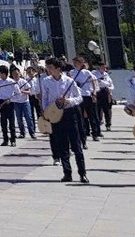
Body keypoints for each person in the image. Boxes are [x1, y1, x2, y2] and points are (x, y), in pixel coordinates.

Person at [40, 56, 88, 184]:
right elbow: (45, 98)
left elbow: (79, 97)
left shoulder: (68, 81)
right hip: (55, 114)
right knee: (62, 144)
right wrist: (45, 112)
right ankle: (67, 173)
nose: (48, 69)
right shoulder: (46, 81)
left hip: (69, 113)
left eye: (51, 67)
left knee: (76, 145)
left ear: (58, 68)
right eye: (48, 67)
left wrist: (68, 101)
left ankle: (82, 173)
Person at [72, 55, 100, 144]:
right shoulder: (72, 72)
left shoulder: (86, 72)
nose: (75, 64)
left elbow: (94, 81)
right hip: (78, 96)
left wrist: (94, 92)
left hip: (87, 95)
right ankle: (84, 133)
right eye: (74, 62)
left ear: (81, 63)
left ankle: (95, 133)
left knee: (91, 115)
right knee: (81, 116)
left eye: (77, 62)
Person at [0, 65, 18, 147]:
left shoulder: (11, 82)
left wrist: (11, 99)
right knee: (3, 123)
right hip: (2, 103)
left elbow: (17, 93)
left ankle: (13, 140)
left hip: (10, 103)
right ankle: (5, 140)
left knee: (11, 123)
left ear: (3, 73)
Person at [11, 65, 35, 139]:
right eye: (14, 74)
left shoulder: (23, 81)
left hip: (25, 101)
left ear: (20, 74)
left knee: (28, 117)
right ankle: (22, 132)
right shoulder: (11, 82)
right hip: (16, 102)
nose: (15, 75)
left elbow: (30, 91)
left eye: (17, 74)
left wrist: (23, 91)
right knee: (19, 118)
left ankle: (32, 132)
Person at [94, 63, 114, 132]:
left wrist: (109, 89)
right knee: (98, 109)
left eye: (105, 67)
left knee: (107, 109)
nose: (104, 69)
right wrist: (105, 83)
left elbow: (111, 84)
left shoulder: (106, 75)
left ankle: (108, 124)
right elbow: (99, 83)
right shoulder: (95, 74)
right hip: (98, 92)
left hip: (106, 92)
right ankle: (98, 124)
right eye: (102, 67)